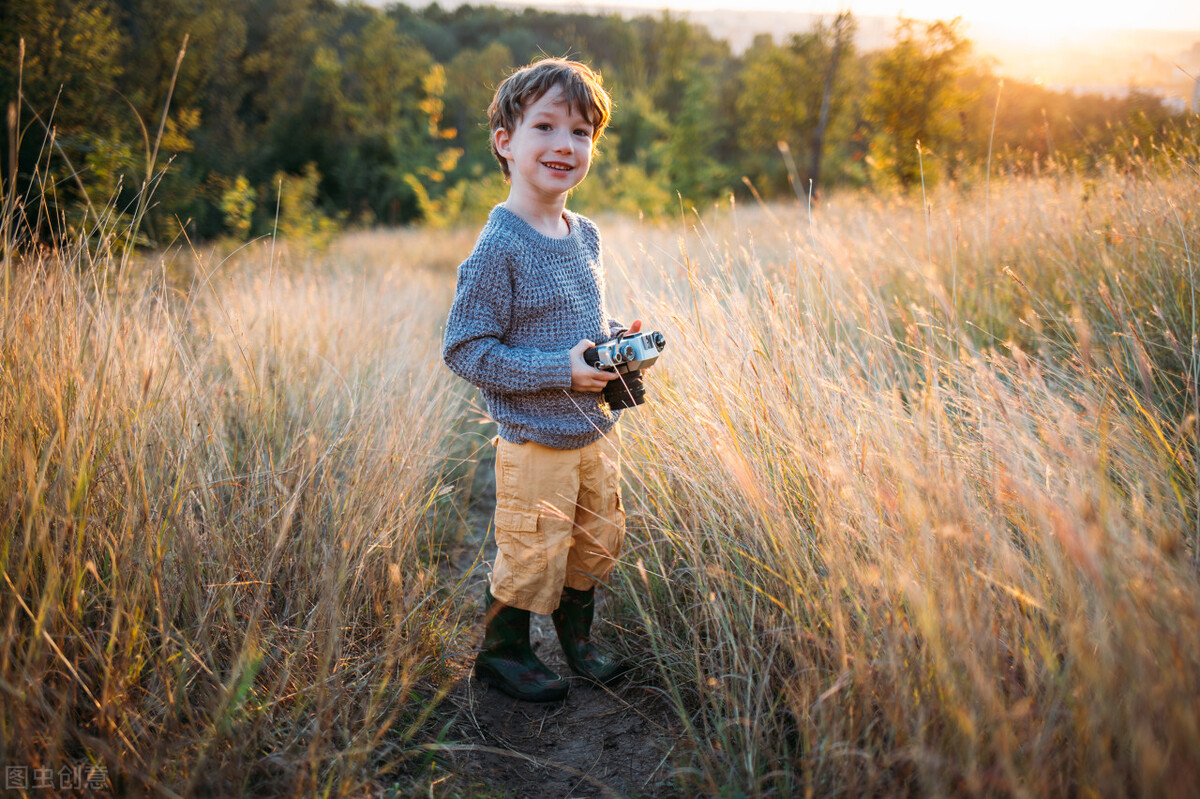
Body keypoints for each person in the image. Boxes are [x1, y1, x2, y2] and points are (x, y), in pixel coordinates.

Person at [442, 57, 644, 702]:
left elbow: (582, 318)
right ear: (506, 141)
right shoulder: (498, 247)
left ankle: (578, 641)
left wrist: (616, 341)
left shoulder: (583, 233)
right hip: (533, 440)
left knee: (593, 538)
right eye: (546, 127)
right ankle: (503, 654)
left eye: (581, 133)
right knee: (532, 550)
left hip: (594, 429)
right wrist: (560, 368)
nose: (564, 145)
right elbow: (467, 350)